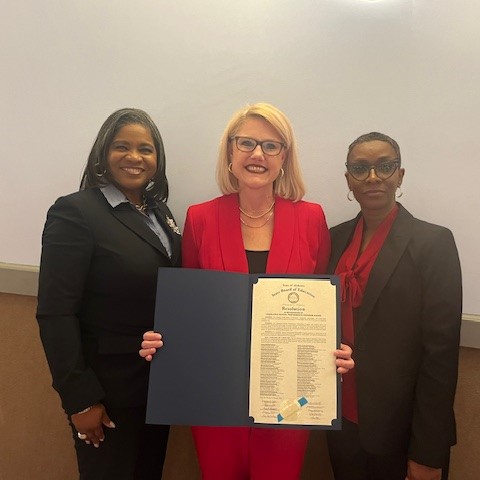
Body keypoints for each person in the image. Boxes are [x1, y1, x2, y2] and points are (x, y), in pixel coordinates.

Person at [140, 102, 354, 479]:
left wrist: (334, 350)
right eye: (247, 143)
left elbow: (321, 306)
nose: (258, 154)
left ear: (284, 157)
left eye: (271, 146)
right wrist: (164, 340)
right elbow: (192, 305)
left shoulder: (311, 219)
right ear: (230, 152)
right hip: (214, 396)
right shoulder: (200, 218)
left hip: (290, 400)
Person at [36, 108, 182, 479]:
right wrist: (80, 398)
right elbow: (55, 313)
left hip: (157, 386)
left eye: (145, 149)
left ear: (157, 159)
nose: (134, 158)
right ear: (103, 153)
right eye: (122, 147)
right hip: (107, 392)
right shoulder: (75, 212)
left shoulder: (158, 212)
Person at [326, 132, 462, 480]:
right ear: (348, 180)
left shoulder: (434, 243)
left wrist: (427, 452)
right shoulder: (333, 238)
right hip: (340, 418)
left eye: (384, 166)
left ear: (400, 175)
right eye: (360, 168)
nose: (373, 177)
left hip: (402, 430)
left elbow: (440, 358)